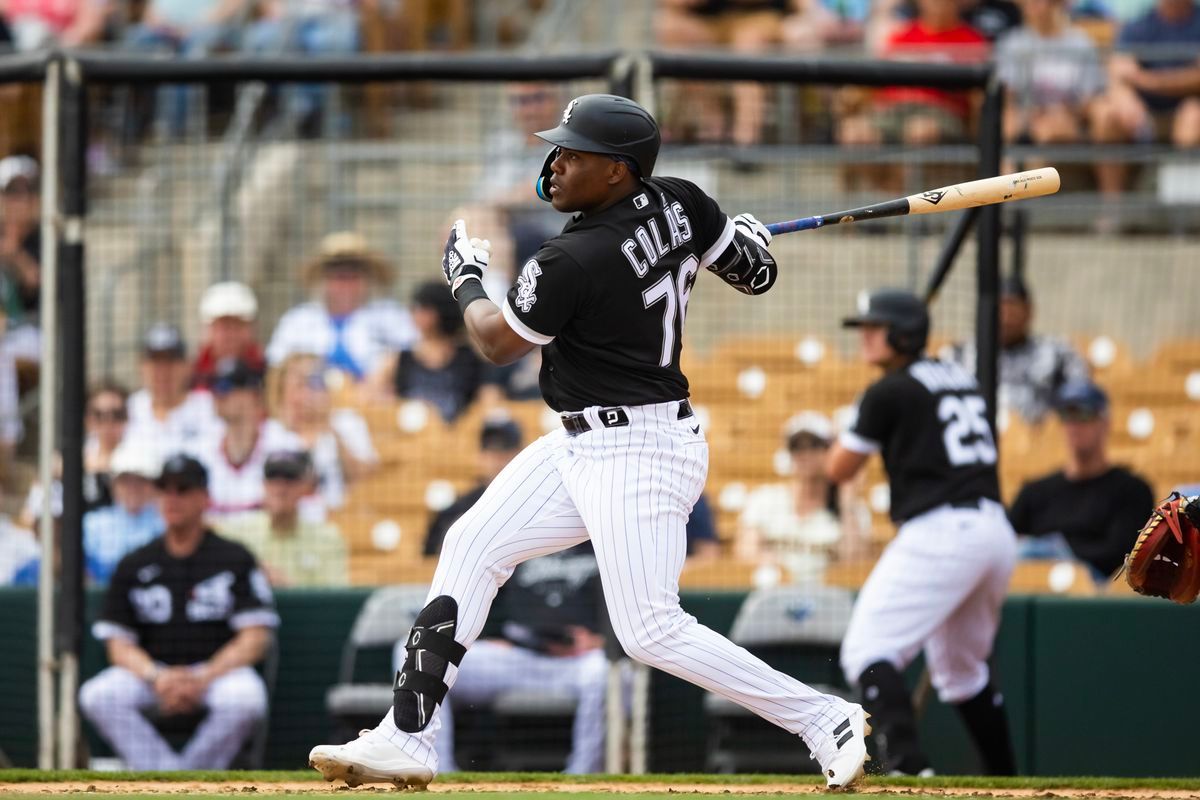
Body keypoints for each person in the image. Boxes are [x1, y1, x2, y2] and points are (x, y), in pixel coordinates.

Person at [308, 93, 870, 791]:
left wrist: (466, 277)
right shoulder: (686, 202)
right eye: (561, 148)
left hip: (640, 449)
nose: (558, 163)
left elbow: (494, 341)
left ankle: (822, 717)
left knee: (648, 630)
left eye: (578, 155)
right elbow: (756, 276)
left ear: (617, 174)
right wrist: (740, 239)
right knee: (470, 544)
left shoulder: (573, 257)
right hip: (580, 442)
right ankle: (408, 736)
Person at [825, 289, 1017, 777]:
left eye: (876, 327)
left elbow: (839, 468)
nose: (866, 336)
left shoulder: (888, 389)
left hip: (942, 531)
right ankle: (1010, 780)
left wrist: (855, 416)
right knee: (961, 672)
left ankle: (908, 767)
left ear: (903, 334)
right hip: (994, 531)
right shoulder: (958, 375)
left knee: (867, 651)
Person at [78, 455, 278, 770]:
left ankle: (189, 775)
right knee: (98, 695)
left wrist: (203, 677)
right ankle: (169, 774)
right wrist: (158, 677)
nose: (172, 498)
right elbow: (118, 645)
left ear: (204, 498)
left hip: (215, 674)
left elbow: (256, 638)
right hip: (153, 673)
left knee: (247, 698)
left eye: (183, 489)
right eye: (164, 490)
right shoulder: (135, 562)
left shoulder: (233, 557)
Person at [401, 541, 607, 774]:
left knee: (600, 673)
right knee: (418, 654)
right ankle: (436, 771)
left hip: (581, 661)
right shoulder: (522, 536)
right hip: (518, 657)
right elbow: (486, 601)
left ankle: (582, 777)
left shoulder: (605, 540)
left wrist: (601, 640)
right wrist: (494, 635)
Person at [836, 0, 990, 193]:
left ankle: (905, 209)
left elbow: (979, 97)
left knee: (919, 131)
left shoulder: (972, 41)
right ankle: (881, 199)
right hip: (892, 111)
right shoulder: (901, 36)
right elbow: (873, 84)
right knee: (854, 134)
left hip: (941, 114)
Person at [1008, 380, 1155, 580]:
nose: (1074, 425)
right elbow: (1004, 544)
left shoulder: (1132, 490)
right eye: (1067, 415)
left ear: (1105, 422)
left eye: (1084, 413)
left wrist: (1060, 551)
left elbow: (1123, 556)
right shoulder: (1034, 492)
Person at [1089, 0, 1200, 213]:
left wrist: (1145, 80)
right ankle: (1114, 212)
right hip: (1145, 115)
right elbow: (1118, 71)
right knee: (1108, 117)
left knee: (1192, 116)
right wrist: (1124, 97)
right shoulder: (1139, 25)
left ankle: (1183, 217)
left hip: (1189, 110)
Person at [736, 412, 869, 582]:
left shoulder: (852, 509)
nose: (805, 454)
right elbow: (745, 551)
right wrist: (769, 563)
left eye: (814, 446)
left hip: (828, 600)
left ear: (830, 451)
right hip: (773, 595)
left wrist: (847, 499)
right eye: (797, 447)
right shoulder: (764, 499)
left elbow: (854, 565)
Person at [266, 231, 415, 381]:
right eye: (339, 277)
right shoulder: (297, 320)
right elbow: (276, 364)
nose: (346, 285)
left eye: (353, 277)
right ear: (324, 280)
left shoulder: (391, 315)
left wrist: (388, 367)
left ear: (367, 280)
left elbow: (416, 355)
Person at [944, 276, 1090, 424]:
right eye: (1001, 309)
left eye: (1012, 308)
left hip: (1036, 439)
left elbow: (1082, 398)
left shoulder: (1057, 354)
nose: (1006, 318)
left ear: (1029, 310)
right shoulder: (960, 354)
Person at [654, 0, 786, 150]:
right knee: (671, 27)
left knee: (747, 41)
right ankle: (712, 128)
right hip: (713, 22)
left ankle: (746, 138)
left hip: (758, 18)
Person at [189, 358, 303, 521]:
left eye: (226, 387)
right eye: (215, 388)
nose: (218, 395)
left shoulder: (284, 444)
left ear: (253, 395)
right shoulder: (200, 448)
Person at [270, 353, 376, 520]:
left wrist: (331, 430)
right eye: (300, 385)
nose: (309, 393)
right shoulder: (272, 431)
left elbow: (366, 480)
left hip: (343, 522)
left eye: (315, 383)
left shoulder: (347, 422)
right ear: (283, 392)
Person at [219, 450, 347, 587]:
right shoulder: (236, 533)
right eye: (273, 479)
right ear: (264, 485)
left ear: (305, 487)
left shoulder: (326, 538)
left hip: (301, 608)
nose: (280, 489)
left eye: (289, 480)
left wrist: (287, 586)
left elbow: (334, 598)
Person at [367, 281, 489, 423]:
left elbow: (487, 398)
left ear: (441, 311)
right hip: (412, 437)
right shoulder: (400, 358)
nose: (415, 313)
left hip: (457, 437)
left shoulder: (468, 357)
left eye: (423, 308)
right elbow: (369, 393)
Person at [995, 0, 1107, 147]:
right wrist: (1028, 116)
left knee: (1049, 130)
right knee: (1008, 125)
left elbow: (1090, 97)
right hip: (1026, 116)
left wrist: (1066, 114)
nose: (1032, 5)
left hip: (1070, 118)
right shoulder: (1013, 42)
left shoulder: (1080, 43)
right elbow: (1008, 94)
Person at [124, 323, 222, 457]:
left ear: (187, 366)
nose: (163, 371)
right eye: (155, 362)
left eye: (171, 361)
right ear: (142, 366)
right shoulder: (129, 408)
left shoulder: (209, 407)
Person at [0, 155, 42, 451]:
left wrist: (13, 252)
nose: (20, 199)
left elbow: (37, 283)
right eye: (12, 192)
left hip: (36, 332)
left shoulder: (45, 236)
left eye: (26, 191)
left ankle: (5, 445)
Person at [82, 440, 164, 584]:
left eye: (140, 480)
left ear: (153, 485)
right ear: (113, 485)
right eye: (125, 481)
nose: (133, 488)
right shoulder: (92, 524)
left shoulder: (165, 524)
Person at [192, 281, 265, 391]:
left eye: (237, 325)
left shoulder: (267, 374)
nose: (230, 336)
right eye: (224, 326)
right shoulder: (191, 376)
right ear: (208, 330)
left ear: (251, 329)